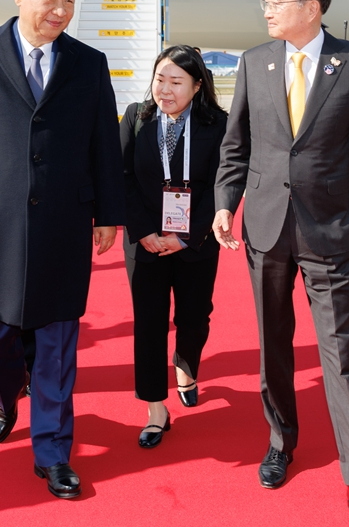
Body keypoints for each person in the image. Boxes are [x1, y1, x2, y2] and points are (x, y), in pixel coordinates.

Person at [0, 0, 124, 500]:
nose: (60, 10)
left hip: (64, 218)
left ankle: (52, 452)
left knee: (57, 340)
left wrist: (108, 212)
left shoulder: (89, 63)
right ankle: (4, 388)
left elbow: (102, 146)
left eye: (69, 1)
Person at [212, 0, 349, 524]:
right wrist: (225, 202)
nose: (265, 9)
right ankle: (279, 441)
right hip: (265, 226)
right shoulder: (254, 62)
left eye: (274, 1)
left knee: (340, 355)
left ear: (310, 8)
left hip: (329, 227)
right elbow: (234, 145)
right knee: (273, 345)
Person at [120, 45, 227, 449]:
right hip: (145, 240)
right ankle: (155, 410)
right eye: (159, 79)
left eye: (176, 82)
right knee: (148, 324)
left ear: (198, 86)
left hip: (195, 242)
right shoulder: (136, 117)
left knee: (194, 317)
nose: (164, 90)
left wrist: (187, 235)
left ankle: (186, 364)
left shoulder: (218, 124)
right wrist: (143, 230)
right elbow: (123, 175)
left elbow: (222, 183)